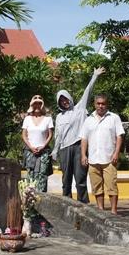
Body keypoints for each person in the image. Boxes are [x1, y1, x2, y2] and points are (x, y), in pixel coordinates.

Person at [52, 67, 106, 203]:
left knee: (80, 179)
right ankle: (66, 204)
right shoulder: (58, 116)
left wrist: (95, 76)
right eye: (61, 100)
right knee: (66, 179)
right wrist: (54, 151)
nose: (64, 102)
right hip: (64, 149)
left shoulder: (80, 108)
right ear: (59, 103)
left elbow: (88, 91)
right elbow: (58, 135)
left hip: (78, 147)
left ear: (70, 98)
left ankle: (83, 205)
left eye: (66, 99)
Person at [80, 94, 124, 214]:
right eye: (98, 103)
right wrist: (83, 155)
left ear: (106, 104)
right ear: (94, 104)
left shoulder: (114, 118)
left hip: (109, 158)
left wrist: (116, 153)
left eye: (103, 103)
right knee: (97, 186)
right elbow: (84, 139)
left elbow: (119, 136)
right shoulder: (88, 120)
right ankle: (101, 210)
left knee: (112, 186)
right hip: (93, 159)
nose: (100, 106)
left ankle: (114, 211)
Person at [22, 95, 54, 192]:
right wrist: (31, 147)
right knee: (30, 176)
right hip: (30, 151)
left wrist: (43, 147)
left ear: (42, 105)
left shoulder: (48, 119)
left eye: (39, 103)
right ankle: (30, 200)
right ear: (32, 105)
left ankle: (42, 199)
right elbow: (24, 135)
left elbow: (50, 135)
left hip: (43, 152)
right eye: (35, 103)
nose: (37, 106)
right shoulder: (27, 119)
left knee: (42, 176)